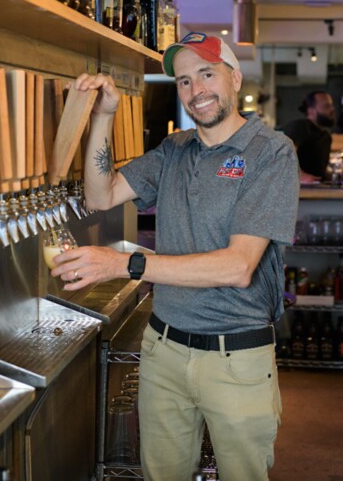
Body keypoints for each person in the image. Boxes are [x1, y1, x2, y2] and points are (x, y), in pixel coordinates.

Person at [51, 32, 300, 481]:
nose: (195, 90)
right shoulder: (174, 150)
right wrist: (105, 116)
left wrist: (123, 264)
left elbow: (238, 266)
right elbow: (99, 194)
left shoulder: (271, 152)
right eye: (184, 81)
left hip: (236, 358)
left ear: (234, 77)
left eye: (207, 74)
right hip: (164, 350)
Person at [283, 91, 336, 183]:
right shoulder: (299, 127)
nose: (332, 109)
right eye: (326, 106)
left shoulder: (326, 136)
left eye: (331, 105)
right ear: (311, 111)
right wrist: (301, 176)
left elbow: (318, 169)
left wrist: (332, 175)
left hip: (316, 189)